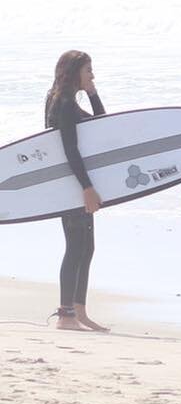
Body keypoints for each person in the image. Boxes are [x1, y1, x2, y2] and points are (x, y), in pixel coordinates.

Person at [45, 49, 109, 333]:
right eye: (88, 70)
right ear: (74, 73)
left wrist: (94, 94)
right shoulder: (66, 103)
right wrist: (86, 188)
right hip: (72, 183)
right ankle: (65, 315)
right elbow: (70, 148)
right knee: (75, 246)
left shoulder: (61, 98)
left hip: (73, 181)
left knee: (86, 245)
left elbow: (102, 125)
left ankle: (79, 311)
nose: (92, 75)